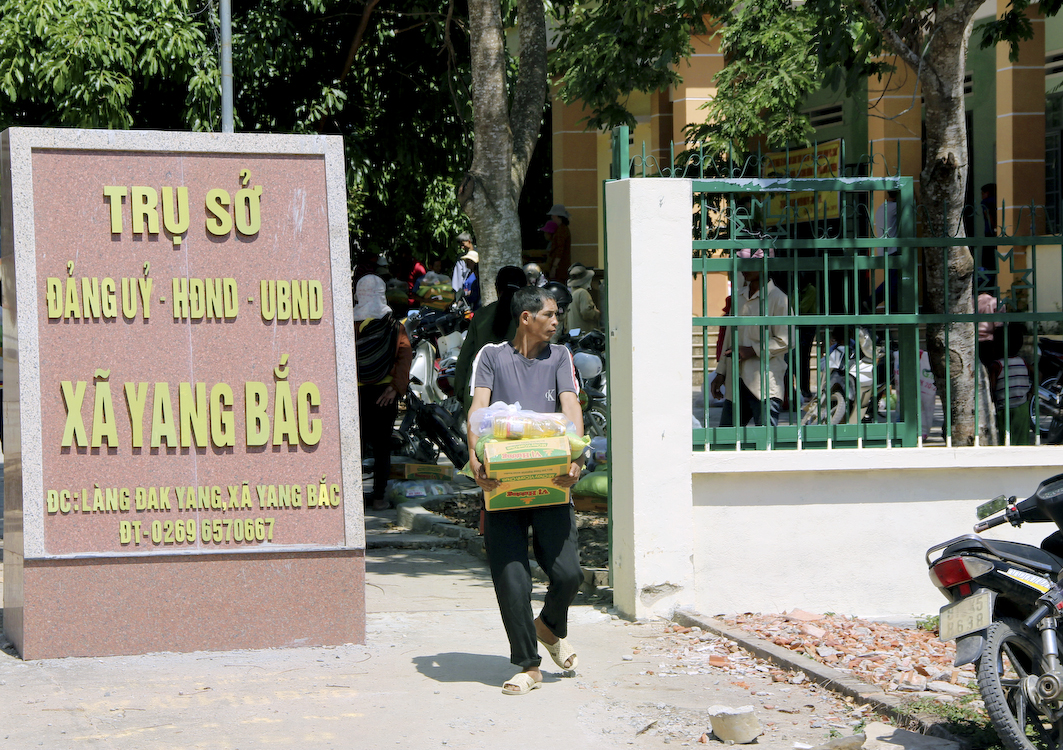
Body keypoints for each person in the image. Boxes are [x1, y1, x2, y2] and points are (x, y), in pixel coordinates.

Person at [467, 286, 585, 696]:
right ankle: (528, 665)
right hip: (502, 485)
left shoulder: (561, 357)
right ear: (526, 318)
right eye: (549, 314)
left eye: (557, 315)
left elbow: (571, 407)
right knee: (512, 579)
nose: (556, 321)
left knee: (568, 574)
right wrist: (475, 459)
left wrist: (577, 457)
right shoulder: (491, 357)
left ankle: (548, 627)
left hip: (552, 482)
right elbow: (478, 411)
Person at [710, 249, 789, 427]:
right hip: (736, 382)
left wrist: (752, 350)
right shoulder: (738, 298)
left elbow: (786, 340)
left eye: (749, 264)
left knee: (766, 439)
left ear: (764, 266)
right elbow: (729, 337)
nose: (744, 269)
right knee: (727, 438)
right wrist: (721, 372)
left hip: (764, 384)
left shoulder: (778, 300)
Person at [354, 275, 412, 510]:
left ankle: (352, 499)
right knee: (381, 447)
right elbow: (404, 358)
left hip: (355, 394)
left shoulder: (348, 324)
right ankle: (379, 498)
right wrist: (395, 388)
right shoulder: (394, 326)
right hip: (384, 394)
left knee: (354, 446)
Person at [453, 266, 529, 413]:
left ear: (496, 288)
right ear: (525, 290)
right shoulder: (530, 318)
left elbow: (465, 359)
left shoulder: (481, 315)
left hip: (478, 398)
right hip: (518, 400)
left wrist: (461, 393)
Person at [988, 321, 1031, 445]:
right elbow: (1038, 374)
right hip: (1022, 406)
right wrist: (1031, 393)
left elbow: (992, 387)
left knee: (1006, 439)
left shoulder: (997, 365)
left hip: (1004, 406)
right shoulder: (1022, 361)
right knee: (1022, 438)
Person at [565, 263, 601, 334]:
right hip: (584, 334)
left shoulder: (571, 294)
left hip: (574, 333)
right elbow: (586, 312)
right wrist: (596, 313)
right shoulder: (582, 292)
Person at [542, 204, 572, 282]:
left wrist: (554, 267)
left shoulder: (562, 230)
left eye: (553, 215)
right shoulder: (562, 229)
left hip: (560, 268)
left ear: (557, 216)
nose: (552, 217)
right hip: (560, 266)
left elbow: (560, 250)